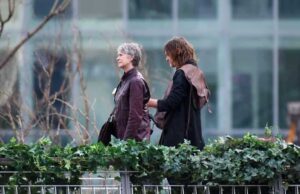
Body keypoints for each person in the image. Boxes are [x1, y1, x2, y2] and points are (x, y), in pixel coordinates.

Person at [147, 36, 210, 150]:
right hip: (193, 133)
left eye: (168, 54)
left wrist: (149, 102)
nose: (166, 58)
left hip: (178, 135)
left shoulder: (182, 73)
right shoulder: (195, 71)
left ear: (176, 53)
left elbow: (171, 102)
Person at [113, 42, 151, 141]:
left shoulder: (135, 81)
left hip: (134, 143)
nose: (117, 58)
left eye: (120, 55)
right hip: (127, 140)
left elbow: (135, 116)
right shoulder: (126, 80)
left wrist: (126, 142)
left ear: (131, 57)